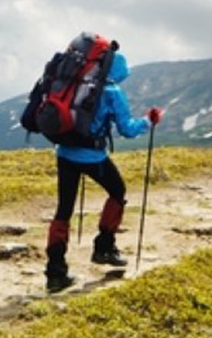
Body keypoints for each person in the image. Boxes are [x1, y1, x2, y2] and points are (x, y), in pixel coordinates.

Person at [46, 51, 162, 293]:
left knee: (64, 208)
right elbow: (127, 130)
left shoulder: (75, 84)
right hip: (92, 156)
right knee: (117, 191)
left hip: (65, 153)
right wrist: (149, 121)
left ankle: (55, 273)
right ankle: (104, 248)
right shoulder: (112, 92)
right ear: (117, 70)